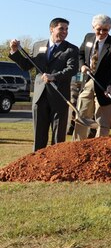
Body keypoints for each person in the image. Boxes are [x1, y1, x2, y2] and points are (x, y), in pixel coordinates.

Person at [8, 17, 79, 151]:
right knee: (39, 135)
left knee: (58, 138)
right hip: (40, 97)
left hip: (59, 96)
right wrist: (14, 51)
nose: (65, 31)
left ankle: (56, 163)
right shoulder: (37, 45)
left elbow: (72, 69)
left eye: (66, 29)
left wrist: (54, 76)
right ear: (51, 29)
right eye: (61, 28)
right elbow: (26, 65)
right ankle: (36, 164)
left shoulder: (71, 49)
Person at [73, 14, 111, 139]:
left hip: (105, 85)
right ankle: (78, 145)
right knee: (82, 113)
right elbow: (80, 53)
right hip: (89, 81)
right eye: (98, 29)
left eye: (105, 30)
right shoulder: (88, 38)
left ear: (110, 28)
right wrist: (82, 65)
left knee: (103, 119)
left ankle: (101, 146)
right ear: (93, 27)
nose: (101, 32)